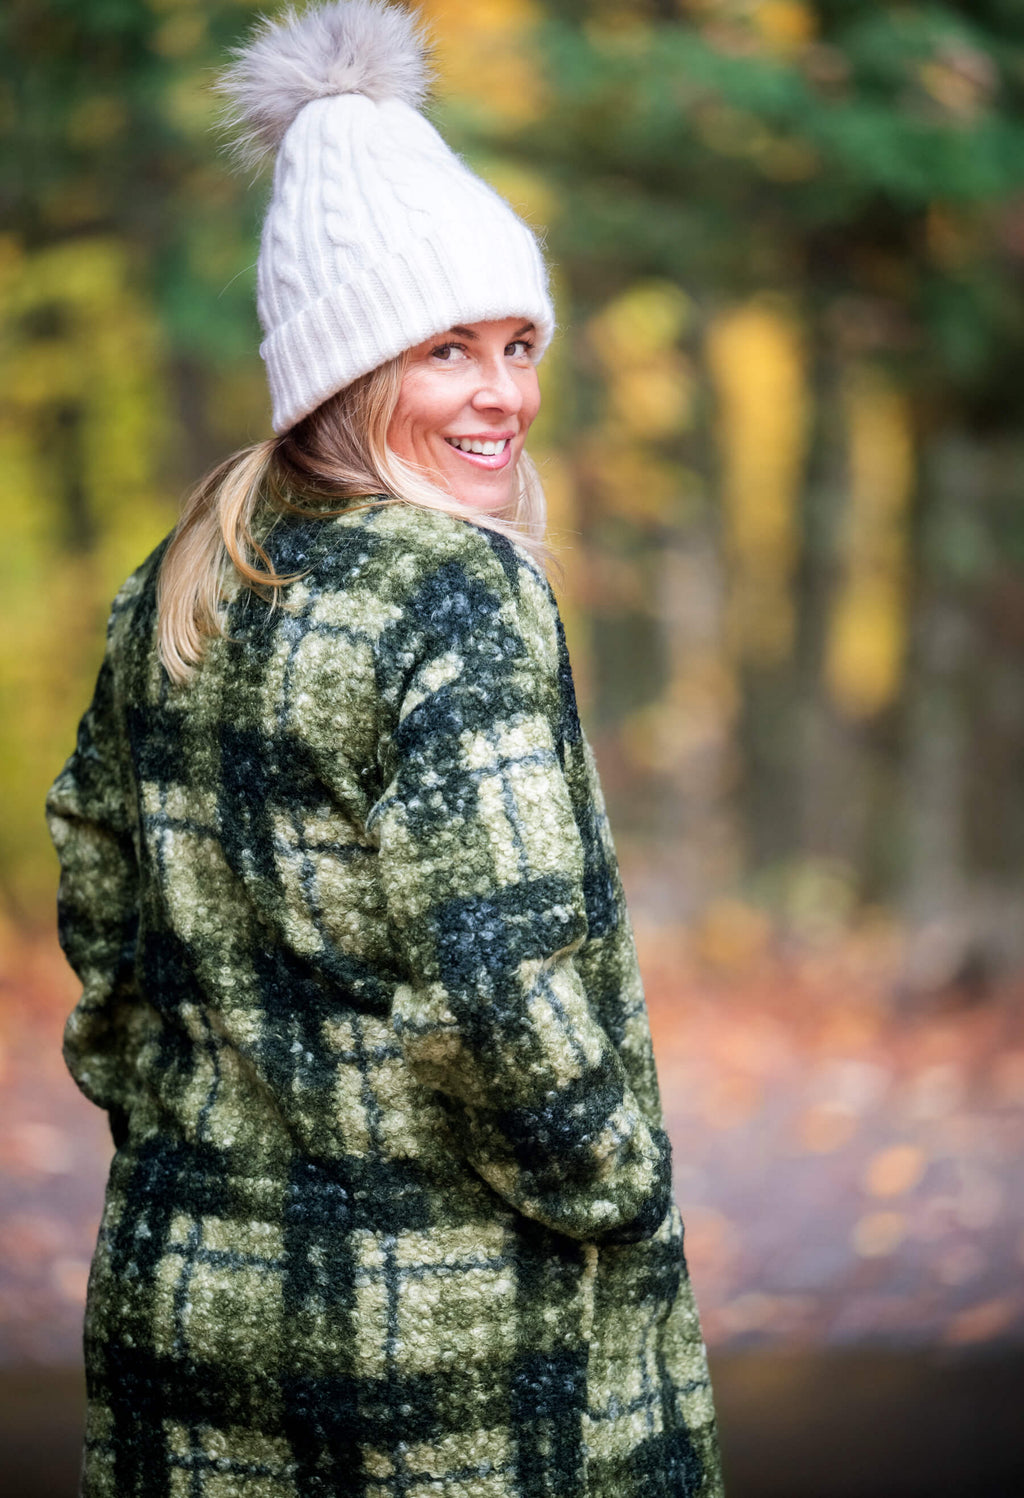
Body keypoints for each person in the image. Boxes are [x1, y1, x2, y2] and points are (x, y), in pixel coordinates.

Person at [46, 3, 724, 1494]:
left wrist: (176, 1126)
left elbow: (103, 924)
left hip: (187, 1297)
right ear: (347, 369)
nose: (507, 394)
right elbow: (503, 975)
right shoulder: (456, 593)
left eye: (520, 342)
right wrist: (613, 1187)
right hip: (453, 1339)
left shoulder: (184, 582)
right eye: (448, 350)